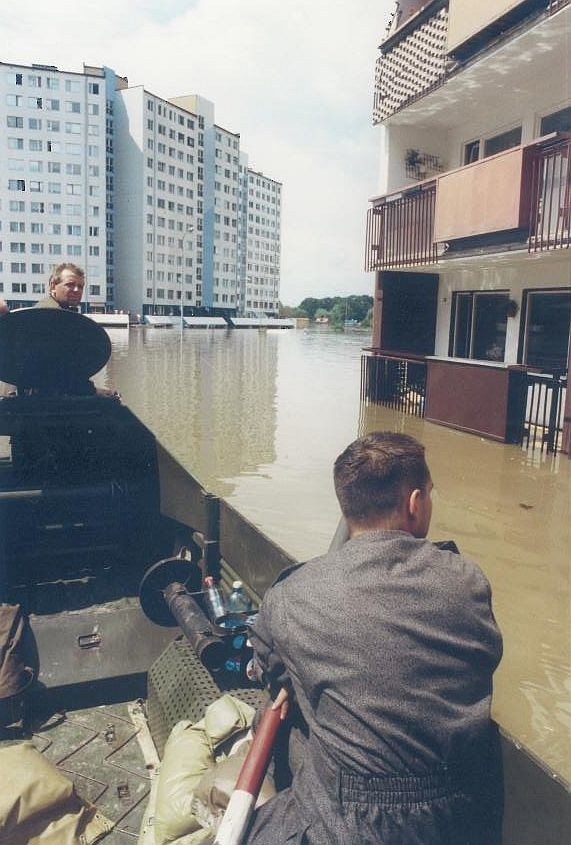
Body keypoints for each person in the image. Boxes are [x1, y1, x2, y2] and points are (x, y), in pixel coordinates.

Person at [248, 431, 503, 845]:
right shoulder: (469, 581)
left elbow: (271, 675)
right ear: (415, 504)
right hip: (463, 817)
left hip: (346, 824)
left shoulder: (291, 595)